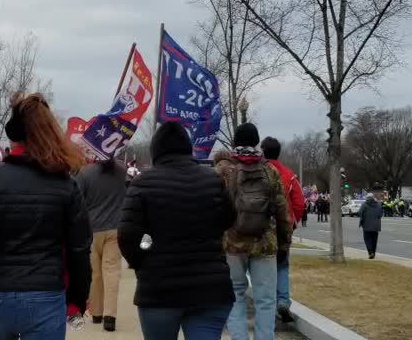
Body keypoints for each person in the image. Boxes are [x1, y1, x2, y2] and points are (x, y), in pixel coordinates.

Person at [0, 92, 92, 340]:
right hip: (45, 295)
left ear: (13, 136)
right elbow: (79, 248)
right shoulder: (66, 185)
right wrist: (78, 297)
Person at [119, 122, 236, 340]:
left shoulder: (142, 184)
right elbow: (229, 219)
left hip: (159, 289)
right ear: (188, 148)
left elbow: (127, 236)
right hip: (210, 288)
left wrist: (142, 262)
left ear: (156, 151)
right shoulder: (213, 180)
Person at [215, 123, 291, 340]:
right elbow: (282, 211)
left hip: (231, 243)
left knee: (235, 296)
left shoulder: (223, 170)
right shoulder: (269, 170)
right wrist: (285, 243)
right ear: (257, 142)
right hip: (264, 243)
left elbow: (213, 208)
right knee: (266, 301)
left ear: (235, 143)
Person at [75, 158, 126, 332]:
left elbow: (77, 201)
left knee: (94, 273)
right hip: (114, 227)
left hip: (92, 230)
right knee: (112, 272)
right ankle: (110, 315)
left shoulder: (85, 172)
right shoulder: (121, 170)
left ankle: (96, 312)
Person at [261, 137, 305, 323]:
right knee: (282, 265)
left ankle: (268, 303)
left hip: (262, 228)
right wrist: (292, 223)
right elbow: (299, 202)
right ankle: (283, 301)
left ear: (263, 151)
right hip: (283, 228)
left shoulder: (259, 171)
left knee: (262, 267)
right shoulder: (289, 175)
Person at [359, 193, 383, 259]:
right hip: (376, 226)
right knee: (374, 240)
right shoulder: (378, 204)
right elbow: (381, 213)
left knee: (367, 239)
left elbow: (360, 212)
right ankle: (373, 253)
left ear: (367, 198)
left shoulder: (364, 204)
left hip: (366, 225)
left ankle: (370, 252)